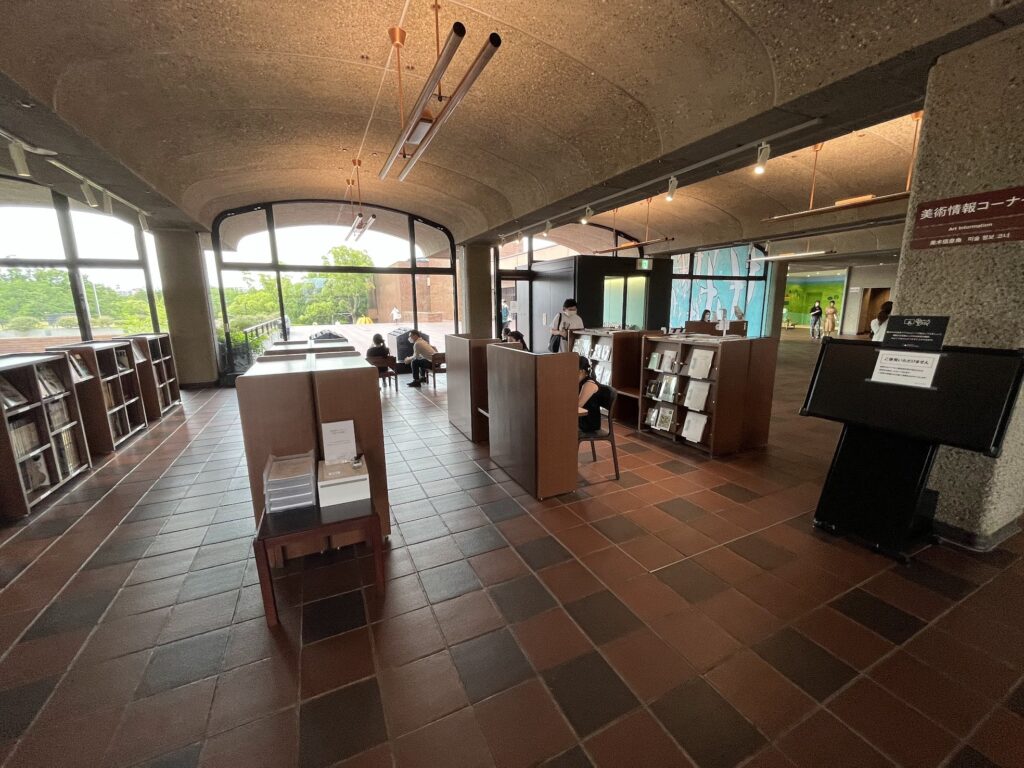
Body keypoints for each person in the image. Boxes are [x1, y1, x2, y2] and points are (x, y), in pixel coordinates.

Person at [577, 357, 601, 434]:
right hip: (581, 420)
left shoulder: (589, 384)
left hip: (588, 423)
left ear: (582, 371)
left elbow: (578, 405)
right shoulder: (580, 381)